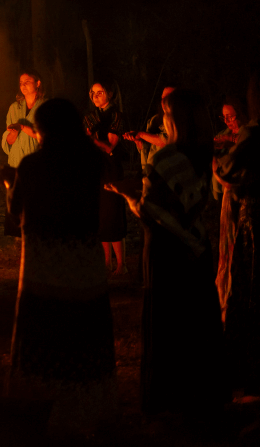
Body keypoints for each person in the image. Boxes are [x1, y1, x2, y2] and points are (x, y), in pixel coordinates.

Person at [0, 98, 117, 433]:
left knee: (46, 326)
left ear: (45, 130)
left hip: (46, 261)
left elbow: (17, 209)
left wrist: (9, 181)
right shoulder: (92, 160)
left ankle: (42, 404)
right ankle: (88, 407)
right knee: (83, 326)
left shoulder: (33, 165)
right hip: (84, 259)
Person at [108, 89, 226, 416]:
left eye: (165, 110)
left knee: (168, 324)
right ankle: (203, 396)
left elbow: (152, 212)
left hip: (165, 253)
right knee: (196, 324)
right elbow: (195, 203)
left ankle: (169, 401)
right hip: (198, 250)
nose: (162, 115)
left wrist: (126, 195)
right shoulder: (204, 154)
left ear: (174, 118)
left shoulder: (163, 159)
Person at [214, 68, 260, 397]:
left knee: (254, 285)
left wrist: (218, 170)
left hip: (259, 215)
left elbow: (228, 170)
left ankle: (255, 373)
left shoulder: (255, 132)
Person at [83, 80, 127, 275]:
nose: (96, 96)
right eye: (92, 93)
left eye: (99, 92)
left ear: (109, 93)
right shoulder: (91, 116)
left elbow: (110, 147)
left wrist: (91, 139)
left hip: (111, 169)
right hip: (95, 169)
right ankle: (106, 262)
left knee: (113, 215)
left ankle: (121, 265)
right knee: (100, 216)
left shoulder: (116, 115)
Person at [0, 69, 47, 236]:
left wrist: (24, 128)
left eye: (27, 82)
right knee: (17, 201)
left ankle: (37, 237)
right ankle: (18, 238)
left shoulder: (46, 107)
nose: (23, 86)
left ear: (38, 83)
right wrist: (12, 134)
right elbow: (8, 141)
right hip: (16, 163)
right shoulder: (14, 107)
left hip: (37, 163)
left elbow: (48, 137)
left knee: (35, 203)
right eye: (21, 83)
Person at [124, 86, 176, 167]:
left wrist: (141, 134)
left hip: (168, 170)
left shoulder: (180, 121)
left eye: (168, 97)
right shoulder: (154, 120)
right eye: (162, 98)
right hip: (151, 170)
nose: (163, 101)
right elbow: (147, 148)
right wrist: (138, 141)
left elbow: (167, 141)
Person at [210, 96, 246, 201]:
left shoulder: (248, 134)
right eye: (224, 117)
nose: (226, 121)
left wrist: (230, 141)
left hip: (239, 192)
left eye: (230, 117)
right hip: (219, 190)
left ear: (241, 113)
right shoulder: (222, 135)